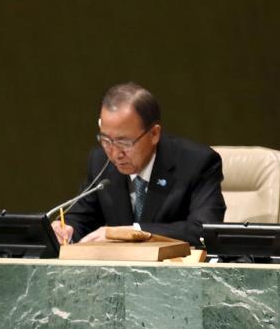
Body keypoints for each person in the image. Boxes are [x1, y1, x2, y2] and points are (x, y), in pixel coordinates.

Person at [51, 82, 226, 246]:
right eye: (105, 140)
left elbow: (205, 230)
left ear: (154, 134)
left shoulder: (197, 163)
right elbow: (83, 218)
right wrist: (67, 229)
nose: (115, 153)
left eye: (125, 142)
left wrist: (133, 232)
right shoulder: (100, 162)